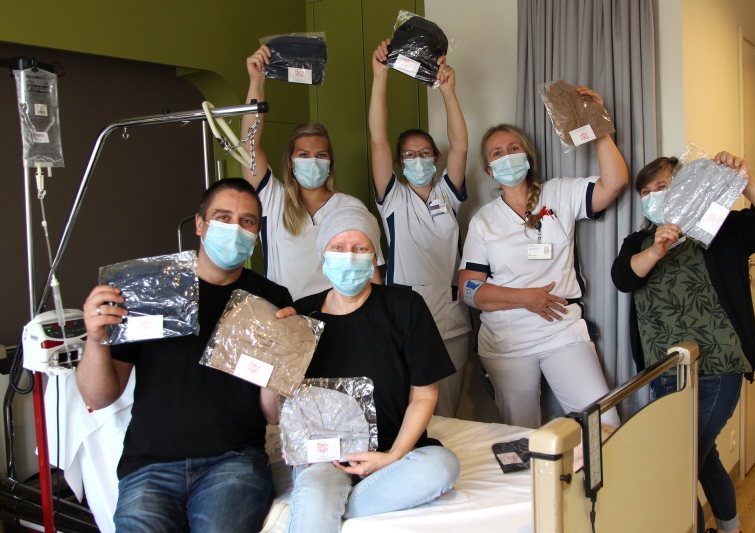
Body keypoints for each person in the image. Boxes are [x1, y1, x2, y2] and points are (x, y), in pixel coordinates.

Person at [76, 178, 292, 532]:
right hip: (150, 465)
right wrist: (96, 337)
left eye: (247, 221)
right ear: (200, 224)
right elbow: (97, 397)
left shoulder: (271, 300)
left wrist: (282, 359)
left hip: (234, 463)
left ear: (257, 235)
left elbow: (272, 414)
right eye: (222, 217)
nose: (234, 229)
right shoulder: (150, 289)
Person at [611, 152, 755, 533]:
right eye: (646, 191)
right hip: (664, 374)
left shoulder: (719, 228)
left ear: (685, 187)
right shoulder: (638, 242)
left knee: (680, 461)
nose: (653, 195)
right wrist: (656, 249)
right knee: (703, 459)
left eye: (662, 186)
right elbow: (623, 277)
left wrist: (744, 180)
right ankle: (730, 528)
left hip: (719, 369)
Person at [262, 205, 460, 533]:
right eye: (338, 248)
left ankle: (342, 506)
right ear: (323, 256)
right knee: (315, 498)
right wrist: (273, 361)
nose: (349, 257)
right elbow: (273, 414)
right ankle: (339, 501)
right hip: (326, 457)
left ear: (374, 256)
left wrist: (393, 455)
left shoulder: (405, 308)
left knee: (442, 466)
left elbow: (425, 395)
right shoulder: (300, 317)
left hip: (394, 453)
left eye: (360, 248)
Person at [458, 116, 627, 429]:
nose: (507, 156)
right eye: (497, 153)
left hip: (561, 329)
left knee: (603, 425)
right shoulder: (484, 220)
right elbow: (468, 290)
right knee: (522, 435)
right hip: (506, 339)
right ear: (489, 170)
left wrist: (596, 124)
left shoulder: (560, 193)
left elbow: (614, 182)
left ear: (527, 156)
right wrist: (525, 298)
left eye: (513, 148)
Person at [368, 39, 471, 417]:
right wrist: (380, 76)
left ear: (436, 158)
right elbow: (378, 139)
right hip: (405, 321)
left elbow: (461, 146)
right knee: (411, 412)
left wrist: (448, 92)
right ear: (399, 163)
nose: (417, 159)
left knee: (448, 412)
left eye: (425, 153)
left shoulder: (447, 193)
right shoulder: (393, 198)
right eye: (409, 155)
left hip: (452, 321)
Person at [241, 46, 383, 300]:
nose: (313, 162)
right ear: (291, 162)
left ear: (331, 162)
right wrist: (256, 82)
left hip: (336, 315)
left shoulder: (350, 207)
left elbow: (371, 274)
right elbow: (249, 146)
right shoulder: (273, 199)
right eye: (304, 155)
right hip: (285, 314)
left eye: (321, 155)